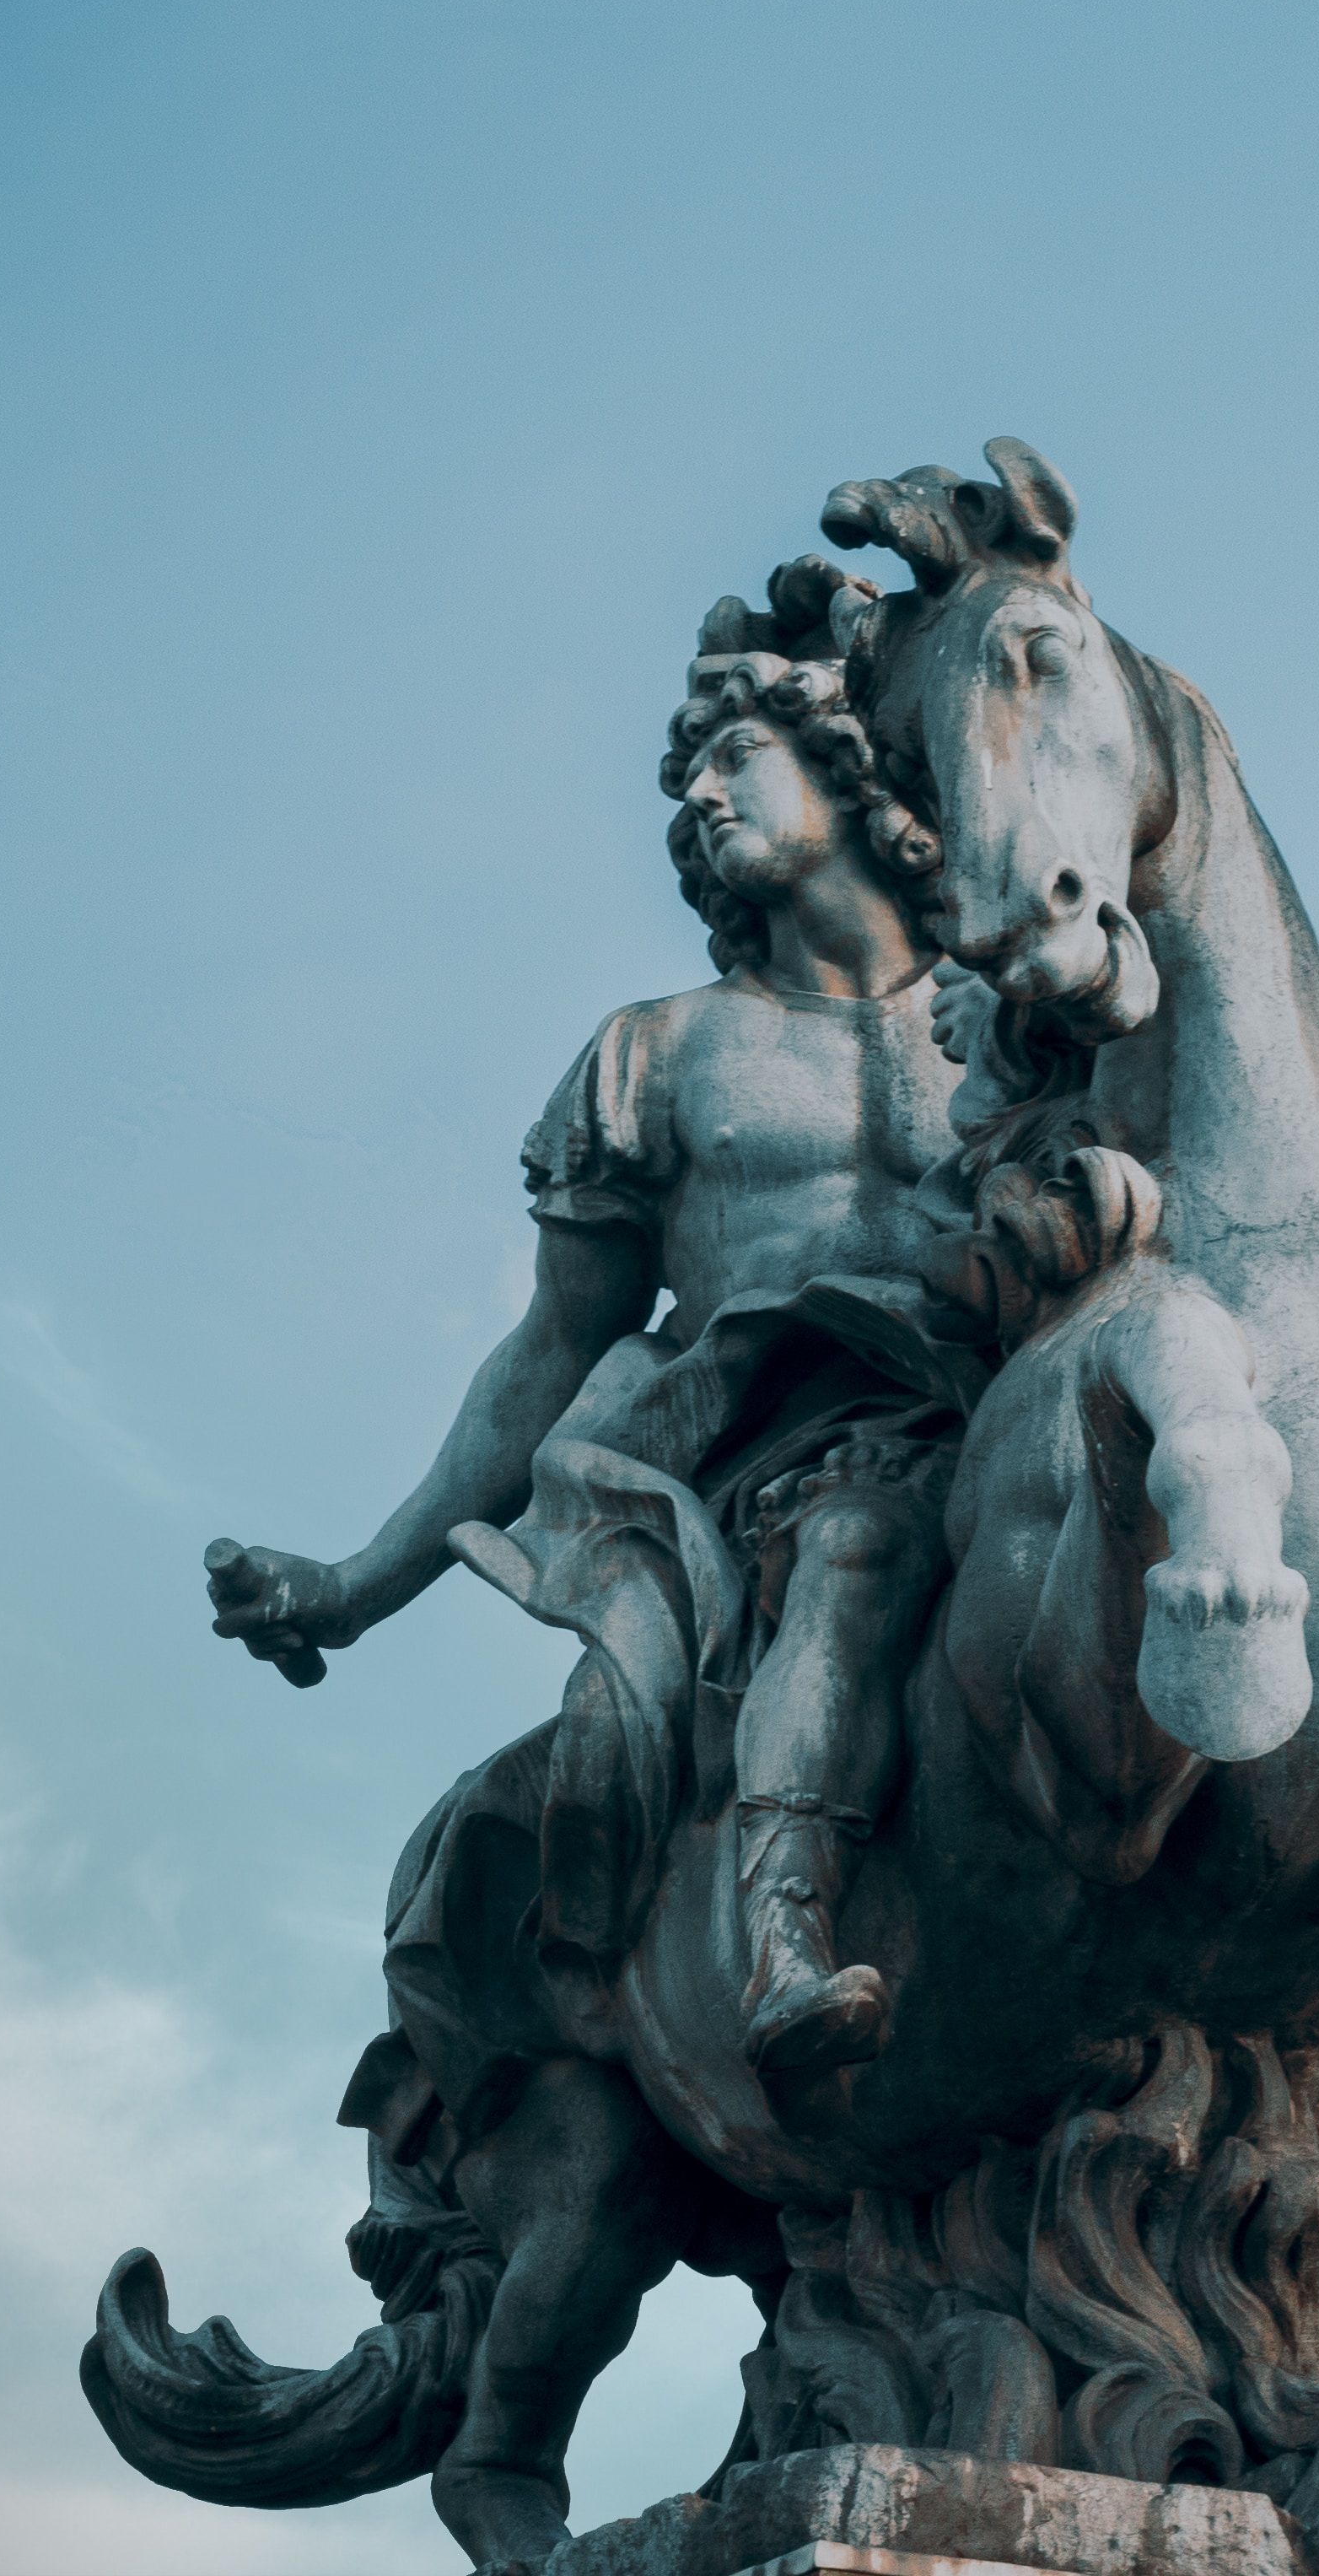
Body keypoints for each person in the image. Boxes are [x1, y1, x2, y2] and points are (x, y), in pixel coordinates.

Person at [204, 565, 984, 2070]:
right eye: (682, 777)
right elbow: (555, 1349)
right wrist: (360, 1586)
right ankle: (780, 1935)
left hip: (1000, 1401)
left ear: (844, 761)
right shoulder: (661, 1056)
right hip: (775, 1454)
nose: (696, 794)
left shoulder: (1019, 1005)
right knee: (854, 1543)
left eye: (731, 755)